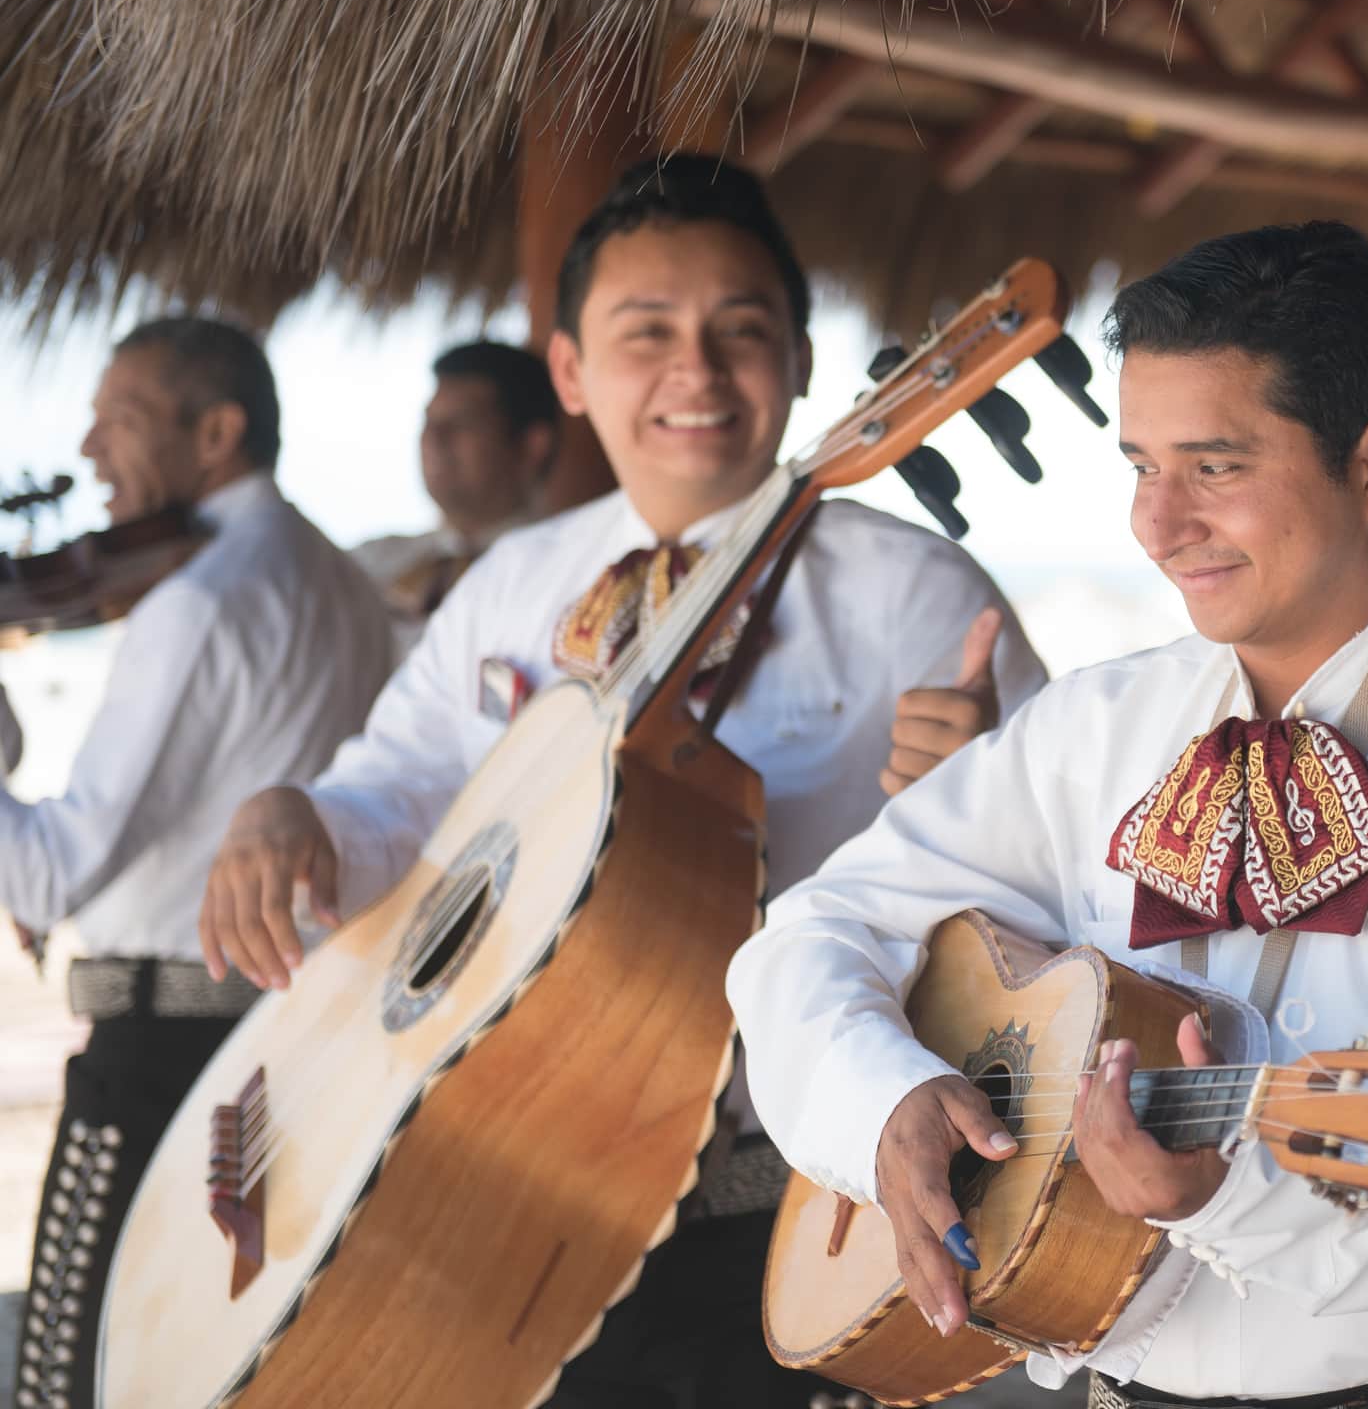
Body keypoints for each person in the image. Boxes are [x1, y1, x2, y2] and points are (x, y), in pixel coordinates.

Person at [728, 222, 1368, 1409]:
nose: (1157, 525)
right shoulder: (1092, 733)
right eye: (1140, 465)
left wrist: (1236, 1203)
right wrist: (885, 1102)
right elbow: (808, 939)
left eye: (1215, 467)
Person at [198, 155, 1049, 1408]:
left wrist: (988, 812)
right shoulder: (512, 580)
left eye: (739, 331)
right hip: (501, 1207)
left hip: (775, 1222)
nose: (695, 372)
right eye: (646, 333)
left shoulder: (920, 599)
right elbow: (403, 787)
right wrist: (299, 815)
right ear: (570, 372)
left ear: (803, 360)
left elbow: (1054, 929)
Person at [3, 317, 396, 1409]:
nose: (85, 449)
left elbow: (42, 876)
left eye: (116, 418)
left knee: (76, 1380)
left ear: (217, 432)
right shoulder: (340, 580)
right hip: (295, 1051)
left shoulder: (196, 601)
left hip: (157, 1064)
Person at [351, 339, 560, 656]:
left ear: (532, 445)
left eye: (461, 424)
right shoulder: (370, 563)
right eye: (429, 422)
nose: (434, 438)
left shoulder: (560, 574)